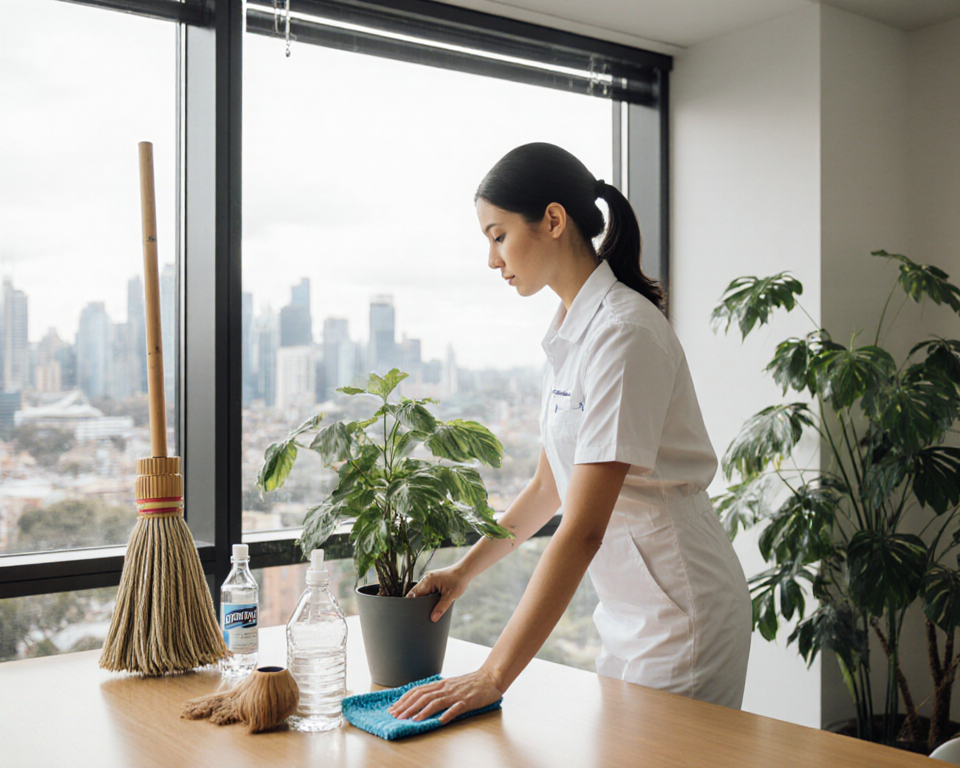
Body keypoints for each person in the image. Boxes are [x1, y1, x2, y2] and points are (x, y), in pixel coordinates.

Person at [388, 143, 751, 725]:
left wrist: (493, 674)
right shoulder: (569, 333)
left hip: (684, 616)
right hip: (628, 613)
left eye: (498, 234)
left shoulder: (624, 332)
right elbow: (545, 489)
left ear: (553, 221)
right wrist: (463, 572)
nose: (491, 258)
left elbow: (581, 529)